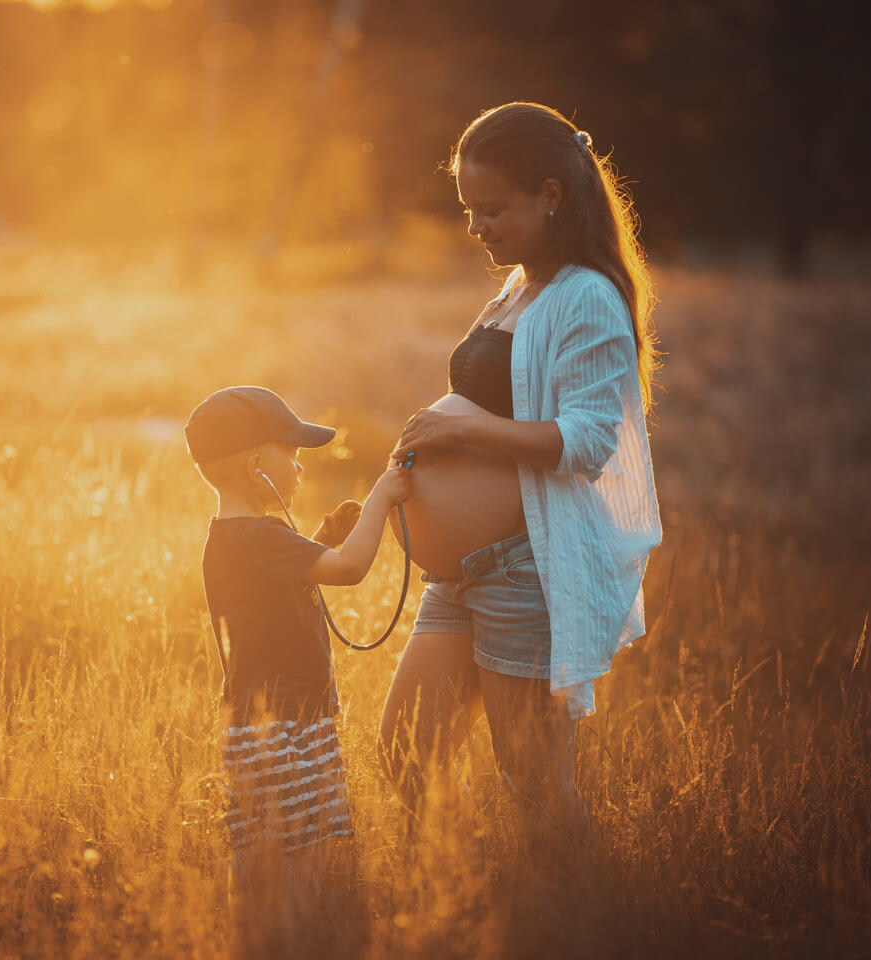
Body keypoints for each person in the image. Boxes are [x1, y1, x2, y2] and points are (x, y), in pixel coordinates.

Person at [377, 101, 662, 854]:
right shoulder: (519, 289)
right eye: (469, 211)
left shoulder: (587, 297)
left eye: (493, 209)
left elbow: (587, 442)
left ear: (551, 195)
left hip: (523, 568)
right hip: (462, 574)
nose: (478, 230)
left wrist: (463, 430)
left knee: (534, 782)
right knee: (408, 753)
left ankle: (579, 919)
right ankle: (461, 903)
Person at [184, 385, 410, 949]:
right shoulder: (263, 536)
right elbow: (352, 568)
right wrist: (382, 497)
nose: (301, 467)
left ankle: (255, 939)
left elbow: (275, 591)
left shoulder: (232, 538)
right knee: (299, 860)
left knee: (257, 852)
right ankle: (292, 940)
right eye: (292, 454)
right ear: (257, 465)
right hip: (289, 728)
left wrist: (319, 540)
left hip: (254, 727)